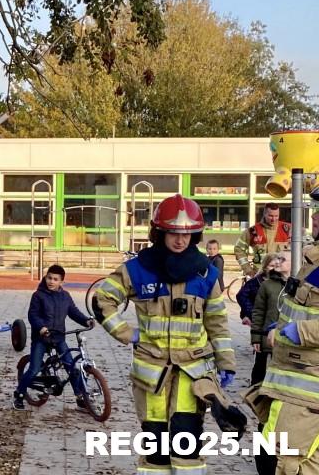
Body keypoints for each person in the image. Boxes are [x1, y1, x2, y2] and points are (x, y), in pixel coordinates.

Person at [93, 194, 243, 475]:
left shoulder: (205, 274)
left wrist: (227, 363)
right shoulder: (138, 269)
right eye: (173, 233)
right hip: (152, 375)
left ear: (195, 235)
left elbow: (218, 323)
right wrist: (126, 333)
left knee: (187, 442)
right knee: (155, 446)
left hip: (192, 373)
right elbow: (102, 300)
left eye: (186, 234)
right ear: (160, 232)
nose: (180, 240)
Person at [245, 239, 319, 475]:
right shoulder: (312, 261)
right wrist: (286, 324)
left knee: (280, 460)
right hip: (290, 383)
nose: (314, 216)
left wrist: (301, 331)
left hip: (306, 391)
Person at [14, 264, 95, 411]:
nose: (51, 281)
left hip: (59, 337)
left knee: (72, 367)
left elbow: (73, 311)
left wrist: (85, 320)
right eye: (49, 278)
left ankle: (80, 398)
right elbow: (33, 315)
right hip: (42, 338)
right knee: (34, 369)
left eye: (55, 279)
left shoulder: (65, 296)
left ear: (61, 282)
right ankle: (19, 393)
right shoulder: (38, 295)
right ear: (45, 278)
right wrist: (41, 328)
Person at [250, 252, 289, 385]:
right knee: (260, 374)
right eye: (277, 258)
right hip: (267, 339)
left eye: (282, 259)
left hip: (289, 341)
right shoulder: (267, 285)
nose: (277, 262)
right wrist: (256, 337)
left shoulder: (301, 286)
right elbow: (258, 311)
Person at [235, 204, 292, 278]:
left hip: (282, 276)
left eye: (276, 216)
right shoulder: (253, 231)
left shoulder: (287, 229)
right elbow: (239, 249)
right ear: (264, 214)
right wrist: (248, 270)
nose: (273, 219)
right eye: (270, 216)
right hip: (260, 276)